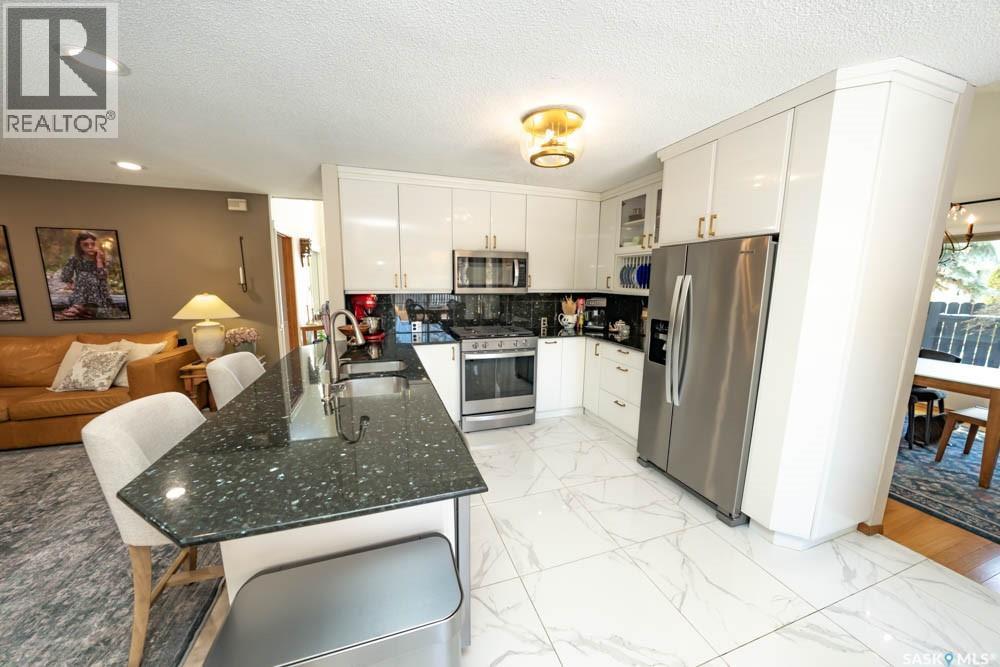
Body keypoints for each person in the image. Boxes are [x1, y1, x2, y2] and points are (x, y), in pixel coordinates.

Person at [59, 231, 114, 318]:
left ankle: (80, 309)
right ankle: (82, 308)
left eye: (93, 244)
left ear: (97, 244)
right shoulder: (75, 258)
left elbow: (103, 277)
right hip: (81, 292)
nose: (90, 247)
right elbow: (66, 274)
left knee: (88, 276)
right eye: (85, 245)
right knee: (84, 275)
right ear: (79, 246)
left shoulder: (104, 258)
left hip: (100, 291)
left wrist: (99, 260)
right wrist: (71, 284)